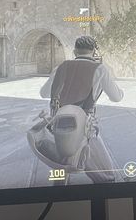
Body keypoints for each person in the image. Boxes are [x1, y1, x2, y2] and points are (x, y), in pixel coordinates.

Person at [39, 36, 124, 182]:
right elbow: (116, 97)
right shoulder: (100, 69)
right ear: (94, 51)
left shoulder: (60, 67)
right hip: (85, 127)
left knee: (60, 169)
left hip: (58, 125)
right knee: (106, 176)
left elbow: (44, 93)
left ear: (75, 51)